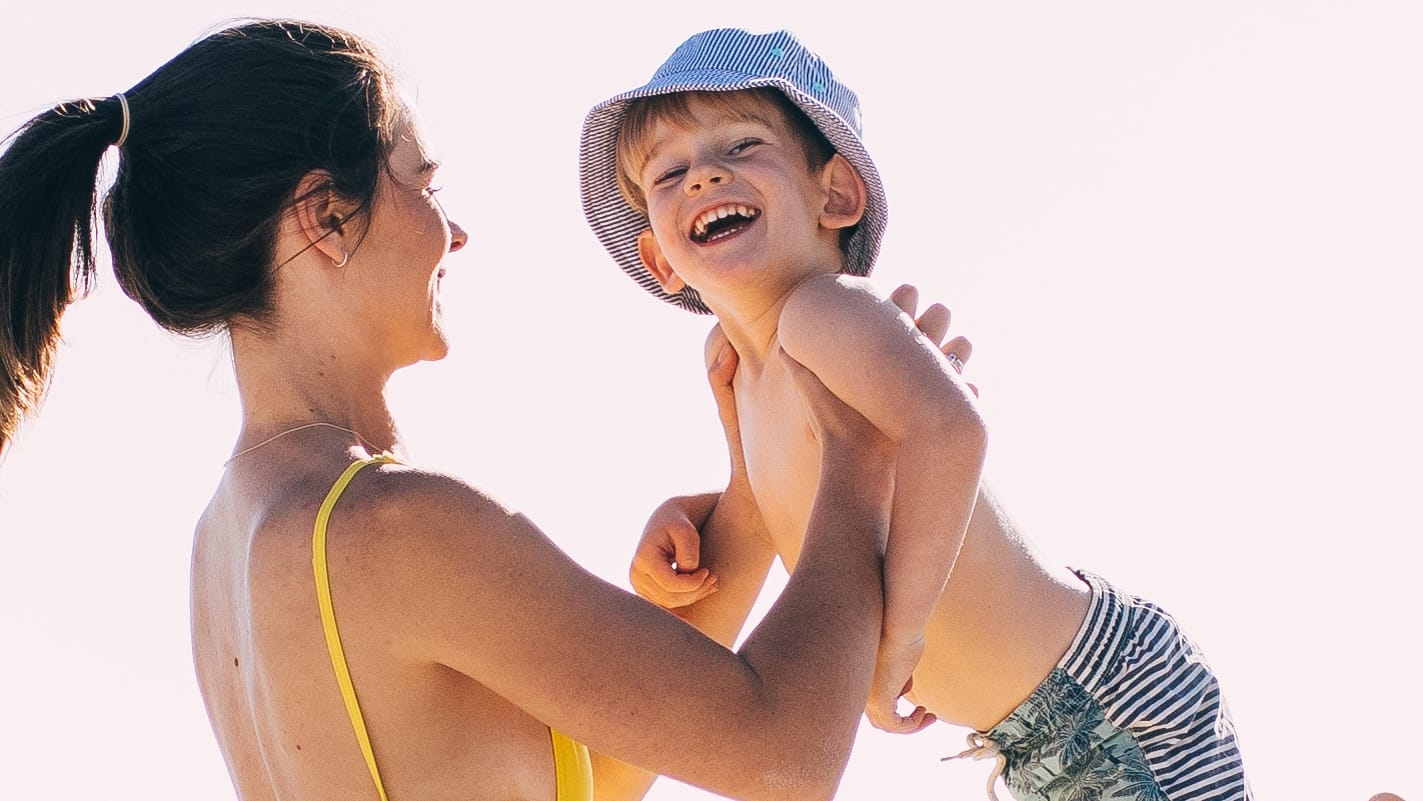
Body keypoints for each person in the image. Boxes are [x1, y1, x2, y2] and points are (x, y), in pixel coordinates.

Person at [0, 18, 940, 801]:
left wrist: (747, 499)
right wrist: (862, 455)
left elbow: (586, 773)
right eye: (421, 181)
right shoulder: (397, 526)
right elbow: (779, 753)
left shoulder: (227, 545)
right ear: (325, 219)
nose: (453, 229)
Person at [579, 27, 1252, 801]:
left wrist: (899, 636)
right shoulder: (734, 369)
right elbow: (766, 506)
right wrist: (689, 525)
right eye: (670, 172)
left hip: (1102, 693)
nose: (703, 177)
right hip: (1031, 730)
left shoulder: (824, 313)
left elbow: (950, 427)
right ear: (662, 260)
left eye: (738, 145)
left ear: (835, 194)